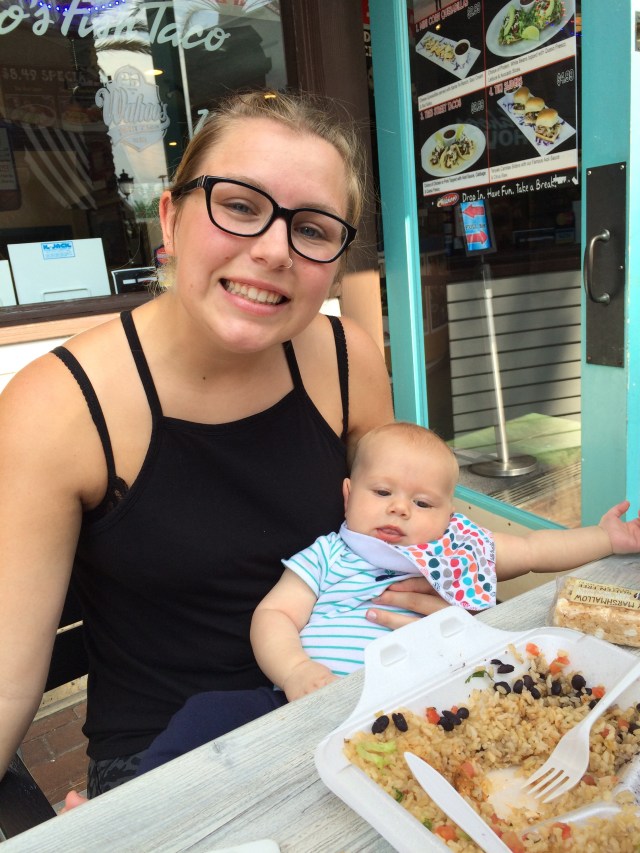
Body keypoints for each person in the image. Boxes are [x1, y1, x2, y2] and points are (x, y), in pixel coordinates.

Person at [0, 89, 441, 799]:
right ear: (170, 219)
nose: (273, 250)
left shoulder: (346, 357)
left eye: (312, 227)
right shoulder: (59, 405)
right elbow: (6, 679)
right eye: (238, 205)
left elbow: (403, 525)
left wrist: (436, 596)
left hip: (346, 698)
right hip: (168, 761)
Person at [133, 421, 640, 774]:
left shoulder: (456, 550)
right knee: (206, 714)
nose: (400, 509)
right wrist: (294, 671)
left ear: (448, 516)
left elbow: (533, 549)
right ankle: (132, 807)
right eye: (382, 493)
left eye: (422, 502)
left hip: (423, 709)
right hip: (310, 696)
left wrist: (606, 539)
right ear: (348, 494)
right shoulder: (330, 553)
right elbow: (275, 613)